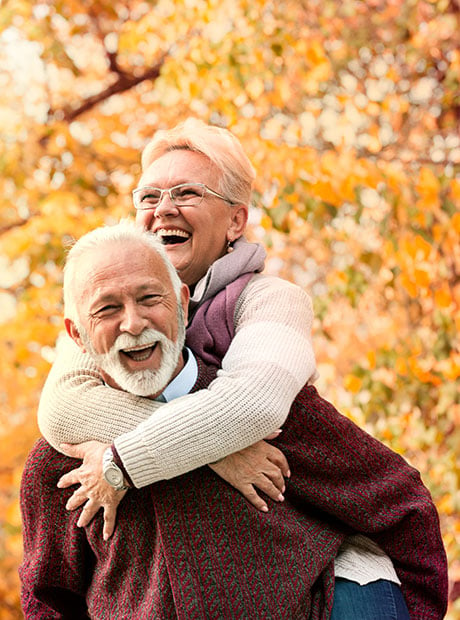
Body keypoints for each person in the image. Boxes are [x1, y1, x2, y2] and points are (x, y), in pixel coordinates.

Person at [36, 119, 443, 614]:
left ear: (235, 222)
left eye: (187, 192)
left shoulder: (270, 300)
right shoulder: (110, 318)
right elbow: (62, 408)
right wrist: (216, 456)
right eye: (149, 196)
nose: (164, 208)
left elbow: (252, 407)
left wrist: (123, 462)